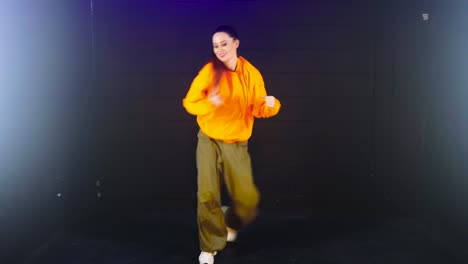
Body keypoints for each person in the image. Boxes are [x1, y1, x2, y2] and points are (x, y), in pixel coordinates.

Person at [182, 25, 281, 264]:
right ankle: (210, 246)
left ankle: (231, 222)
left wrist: (272, 104)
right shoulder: (209, 72)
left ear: (236, 43)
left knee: (247, 200)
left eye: (223, 43)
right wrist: (210, 103)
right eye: (215, 45)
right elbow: (190, 102)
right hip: (209, 139)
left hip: (236, 142)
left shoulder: (252, 74)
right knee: (207, 194)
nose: (219, 49)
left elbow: (258, 109)